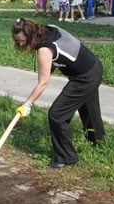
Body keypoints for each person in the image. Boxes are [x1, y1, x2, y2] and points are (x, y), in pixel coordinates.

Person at [12, 17, 105, 168]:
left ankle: (66, 158)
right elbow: (61, 53)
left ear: (32, 36)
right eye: (18, 41)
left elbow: (43, 82)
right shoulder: (48, 30)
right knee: (89, 109)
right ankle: (99, 143)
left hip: (85, 77)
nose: (21, 45)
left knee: (57, 115)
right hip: (94, 66)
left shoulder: (44, 49)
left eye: (23, 41)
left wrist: (27, 104)